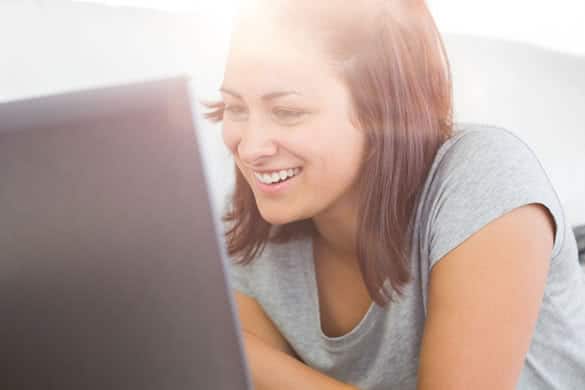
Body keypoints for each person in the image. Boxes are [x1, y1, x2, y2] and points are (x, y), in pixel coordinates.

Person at [203, 1, 585, 389]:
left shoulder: (485, 176)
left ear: (383, 111)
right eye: (235, 107)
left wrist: (234, 350)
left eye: (287, 111)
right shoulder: (250, 220)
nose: (249, 149)